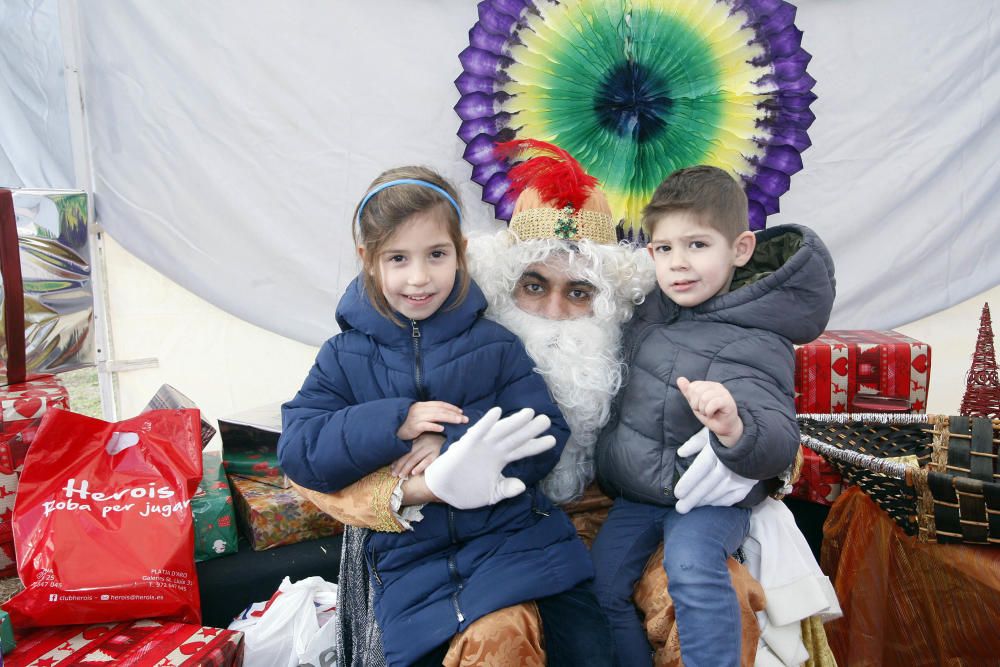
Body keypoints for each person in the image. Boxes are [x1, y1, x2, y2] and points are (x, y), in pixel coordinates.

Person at [277, 166, 614, 667]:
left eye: (436, 255)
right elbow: (300, 450)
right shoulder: (342, 357)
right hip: (413, 562)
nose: (419, 278)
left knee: (587, 649)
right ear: (368, 261)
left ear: (460, 251)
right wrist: (397, 422)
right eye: (398, 258)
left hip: (517, 544)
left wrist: (452, 443)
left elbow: (544, 428)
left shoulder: (494, 344)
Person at [590, 165, 836, 667]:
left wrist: (733, 429)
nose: (679, 264)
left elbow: (778, 438)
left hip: (707, 501)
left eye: (697, 245)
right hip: (637, 494)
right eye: (664, 249)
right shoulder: (647, 312)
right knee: (601, 584)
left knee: (693, 569)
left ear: (740, 249)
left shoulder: (757, 336)